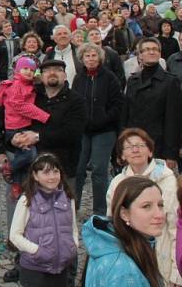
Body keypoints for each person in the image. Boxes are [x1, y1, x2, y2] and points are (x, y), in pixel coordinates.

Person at [106, 128, 181, 286]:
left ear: (150, 151)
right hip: (130, 255)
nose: (135, 150)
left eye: (140, 145)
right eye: (129, 147)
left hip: (162, 256)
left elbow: (176, 227)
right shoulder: (117, 183)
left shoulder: (167, 180)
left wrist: (177, 272)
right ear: (122, 156)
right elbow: (112, 224)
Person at [82, 176, 166, 287]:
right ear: (124, 214)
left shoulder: (107, 242)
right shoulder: (125, 272)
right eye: (146, 206)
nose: (159, 214)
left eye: (160, 205)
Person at [9, 153, 77, 287]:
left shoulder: (68, 198)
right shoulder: (26, 200)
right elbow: (15, 235)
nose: (52, 177)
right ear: (35, 176)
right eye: (46, 173)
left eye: (55, 172)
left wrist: (73, 246)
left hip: (61, 268)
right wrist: (37, 251)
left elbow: (73, 227)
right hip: (35, 269)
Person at [72, 43, 123, 217]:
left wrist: (104, 119)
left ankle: (100, 210)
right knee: (77, 169)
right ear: (82, 59)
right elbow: (75, 103)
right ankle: (73, 206)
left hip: (105, 130)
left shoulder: (109, 77)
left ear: (99, 57)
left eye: (94, 55)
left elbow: (118, 104)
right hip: (83, 130)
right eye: (87, 56)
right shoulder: (79, 78)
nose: (91, 59)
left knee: (99, 170)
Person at [122, 37, 181, 171]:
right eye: (147, 49)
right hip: (134, 143)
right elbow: (126, 114)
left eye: (155, 49)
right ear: (140, 55)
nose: (151, 52)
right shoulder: (133, 80)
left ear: (160, 54)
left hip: (159, 145)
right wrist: (121, 146)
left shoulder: (170, 82)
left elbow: (173, 119)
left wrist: (171, 153)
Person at [0, 56, 47, 195]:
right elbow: (20, 105)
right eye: (25, 69)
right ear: (17, 70)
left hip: (24, 126)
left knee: (25, 159)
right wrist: (43, 115)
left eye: (32, 70)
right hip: (15, 128)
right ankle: (9, 168)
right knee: (29, 155)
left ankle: (16, 185)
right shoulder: (16, 85)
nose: (28, 72)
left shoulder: (29, 85)